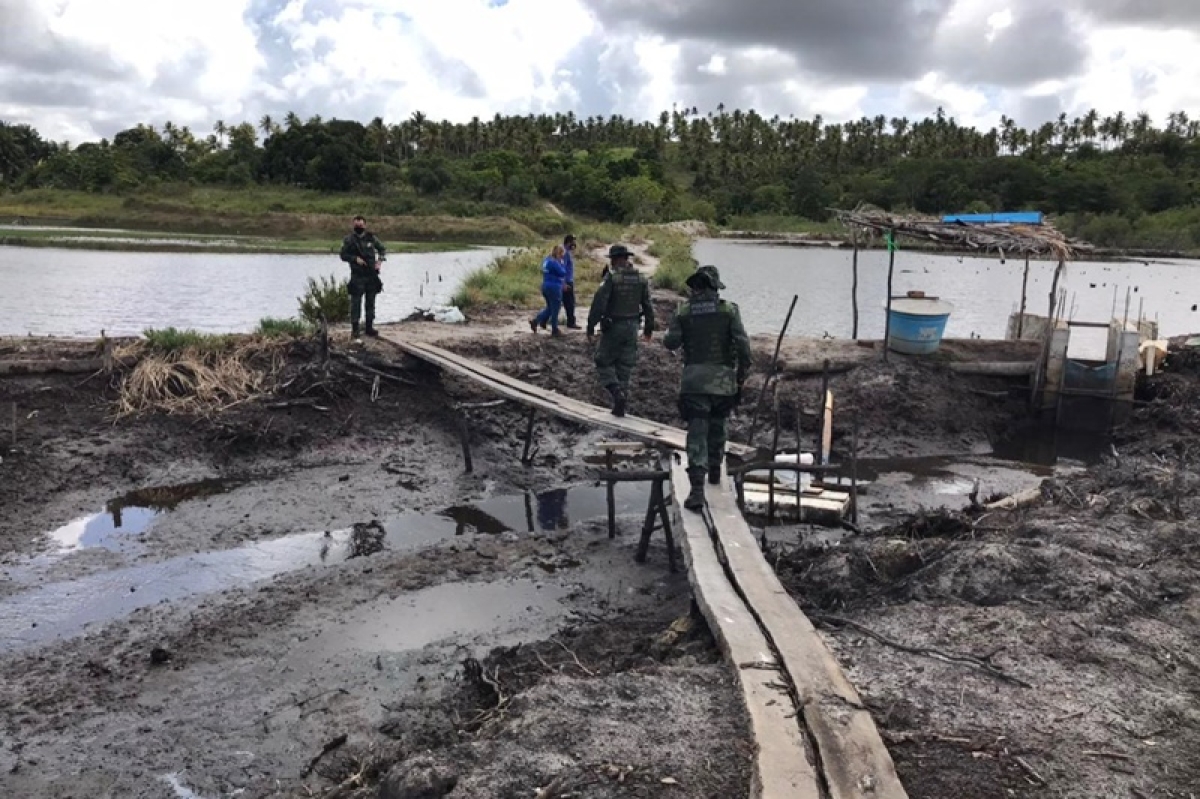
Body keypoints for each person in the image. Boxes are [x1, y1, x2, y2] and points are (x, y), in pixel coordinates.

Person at [663, 265, 752, 511]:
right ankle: (715, 469)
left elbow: (671, 343)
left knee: (697, 433)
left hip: (693, 383)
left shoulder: (683, 311)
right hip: (723, 382)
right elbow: (743, 347)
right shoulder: (729, 310)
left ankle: (697, 491)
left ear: (695, 287)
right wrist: (741, 377)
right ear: (715, 287)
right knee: (718, 426)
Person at [587, 244, 654, 417]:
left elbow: (599, 303)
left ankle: (616, 392)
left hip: (614, 325)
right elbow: (648, 305)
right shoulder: (641, 278)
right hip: (633, 327)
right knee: (625, 366)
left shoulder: (612, 278)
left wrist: (590, 326)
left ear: (616, 260)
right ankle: (620, 406)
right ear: (627, 258)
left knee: (603, 360)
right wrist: (648, 329)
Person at [339, 215, 387, 340]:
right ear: (353, 225)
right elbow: (343, 255)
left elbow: (382, 249)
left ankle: (369, 327)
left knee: (370, 302)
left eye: (360, 225)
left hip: (371, 275)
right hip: (357, 276)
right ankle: (355, 329)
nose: (359, 227)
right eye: (356, 225)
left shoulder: (371, 238)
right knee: (356, 303)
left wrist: (379, 261)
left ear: (365, 225)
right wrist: (355, 259)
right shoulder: (349, 240)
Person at [531, 244, 567, 336]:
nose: (563, 256)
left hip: (545, 285)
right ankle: (554, 329)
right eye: (562, 254)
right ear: (559, 253)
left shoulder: (546, 260)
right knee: (555, 309)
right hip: (554, 287)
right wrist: (562, 263)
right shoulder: (555, 263)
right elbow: (562, 273)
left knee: (549, 307)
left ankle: (537, 321)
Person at [561, 234, 580, 329]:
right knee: (570, 303)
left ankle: (540, 320)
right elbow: (562, 268)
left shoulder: (565, 251)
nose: (574, 244)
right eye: (573, 242)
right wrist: (563, 283)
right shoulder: (564, 253)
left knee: (557, 303)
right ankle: (571, 322)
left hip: (566, 281)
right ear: (569, 242)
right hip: (566, 282)